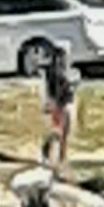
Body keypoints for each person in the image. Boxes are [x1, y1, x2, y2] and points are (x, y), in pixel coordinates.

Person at [38, 37, 78, 175]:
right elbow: (54, 89)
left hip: (62, 103)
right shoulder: (54, 71)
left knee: (62, 134)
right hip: (59, 104)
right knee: (58, 133)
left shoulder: (58, 70)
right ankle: (52, 158)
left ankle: (59, 159)